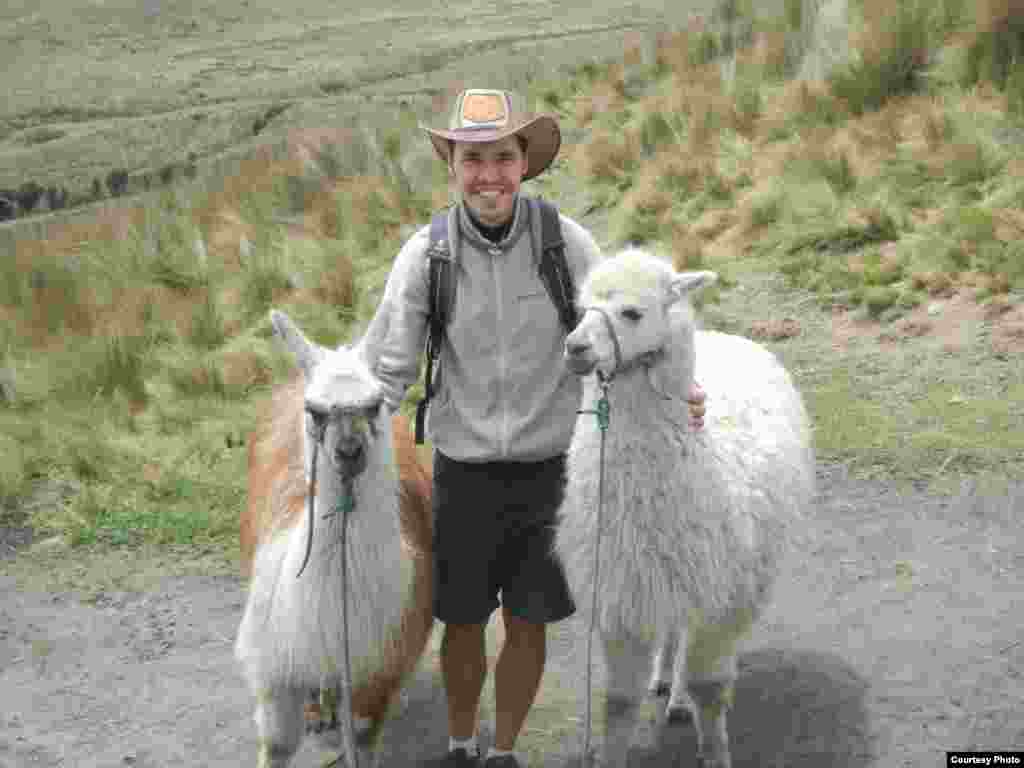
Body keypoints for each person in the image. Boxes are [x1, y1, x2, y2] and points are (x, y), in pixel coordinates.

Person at [370, 88, 707, 768]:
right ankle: (461, 742)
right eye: (473, 160)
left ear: (524, 162)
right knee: (460, 621)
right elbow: (388, 367)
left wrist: (683, 390)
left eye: (501, 157)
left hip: (550, 469)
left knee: (528, 619)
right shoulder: (425, 257)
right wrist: (343, 420)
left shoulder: (566, 244)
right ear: (453, 167)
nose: (487, 175)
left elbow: (625, 325)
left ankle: (503, 751)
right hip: (460, 471)